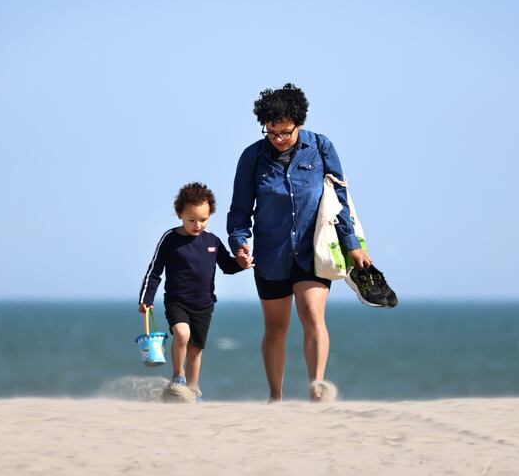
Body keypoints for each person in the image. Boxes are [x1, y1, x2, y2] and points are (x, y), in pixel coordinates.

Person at [227, 83, 371, 402]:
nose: (278, 139)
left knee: (311, 313)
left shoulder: (321, 147)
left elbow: (339, 200)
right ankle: (275, 395)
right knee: (276, 328)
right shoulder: (252, 157)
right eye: (271, 132)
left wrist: (353, 245)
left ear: (299, 123)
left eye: (285, 132)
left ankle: (316, 387)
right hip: (270, 255)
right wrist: (239, 243)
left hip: (313, 252)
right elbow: (239, 210)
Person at [139, 182, 250, 401]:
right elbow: (154, 271)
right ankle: (177, 377)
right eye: (191, 220)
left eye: (203, 219)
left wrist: (243, 263)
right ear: (180, 214)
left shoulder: (213, 242)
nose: (197, 224)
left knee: (196, 350)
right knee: (182, 334)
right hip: (177, 302)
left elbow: (228, 266)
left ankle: (193, 390)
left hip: (204, 305)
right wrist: (146, 298)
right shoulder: (169, 239)